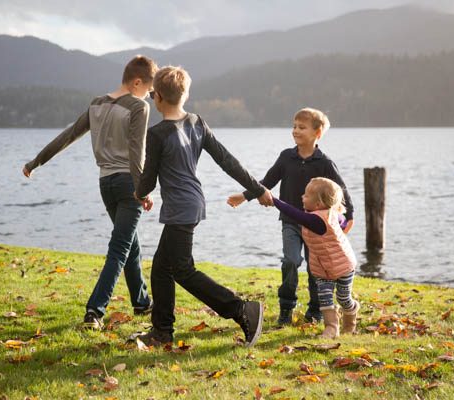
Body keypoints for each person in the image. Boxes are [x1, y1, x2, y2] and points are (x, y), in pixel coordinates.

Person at [134, 65, 273, 347]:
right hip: (194, 202)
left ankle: (241, 309)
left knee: (183, 270)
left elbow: (148, 177)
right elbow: (227, 160)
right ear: (185, 95)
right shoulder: (197, 122)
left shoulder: (157, 134)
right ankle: (162, 331)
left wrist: (140, 193)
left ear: (157, 97)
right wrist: (257, 188)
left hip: (180, 208)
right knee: (161, 268)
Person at [22, 56, 158, 330]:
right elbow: (137, 152)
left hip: (105, 183)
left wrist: (35, 162)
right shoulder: (138, 106)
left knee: (129, 243)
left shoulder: (97, 103)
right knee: (120, 248)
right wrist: (142, 190)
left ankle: (141, 302)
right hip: (128, 184)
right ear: (137, 83)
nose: (150, 96)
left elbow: (69, 135)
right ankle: (94, 311)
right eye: (149, 89)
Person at [227, 108, 354, 326]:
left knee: (316, 269)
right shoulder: (286, 157)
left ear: (317, 133)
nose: (296, 130)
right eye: (294, 126)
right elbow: (268, 181)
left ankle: (315, 311)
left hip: (316, 228)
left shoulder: (324, 162)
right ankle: (286, 308)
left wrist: (349, 214)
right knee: (290, 261)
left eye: (302, 127)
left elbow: (340, 189)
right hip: (290, 223)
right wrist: (244, 196)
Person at [272, 177, 359, 338]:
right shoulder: (322, 214)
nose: (302, 197)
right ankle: (331, 328)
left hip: (343, 265)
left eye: (306, 195)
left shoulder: (316, 220)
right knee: (324, 297)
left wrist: (273, 200)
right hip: (322, 266)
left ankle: (350, 320)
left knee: (343, 297)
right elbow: (342, 220)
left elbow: (293, 213)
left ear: (318, 204)